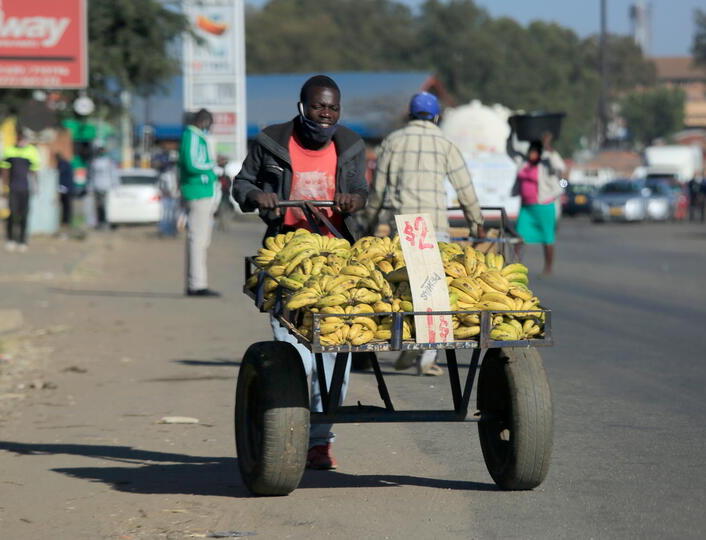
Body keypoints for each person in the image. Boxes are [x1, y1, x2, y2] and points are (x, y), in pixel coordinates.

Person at [233, 75, 368, 470]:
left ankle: (320, 442)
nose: (325, 114)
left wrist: (353, 200)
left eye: (332, 108)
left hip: (336, 260)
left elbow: (362, 191)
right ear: (301, 107)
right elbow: (241, 184)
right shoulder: (271, 142)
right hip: (287, 258)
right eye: (318, 106)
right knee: (297, 358)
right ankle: (287, 437)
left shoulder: (351, 145)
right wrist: (257, 196)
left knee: (333, 363)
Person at [363, 91, 485, 376]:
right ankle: (428, 356)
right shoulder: (445, 143)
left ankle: (409, 339)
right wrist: (475, 222)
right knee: (434, 291)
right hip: (435, 227)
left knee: (406, 289)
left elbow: (378, 190)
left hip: (403, 229)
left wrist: (369, 221)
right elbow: (464, 187)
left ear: (409, 115)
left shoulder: (393, 142)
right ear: (436, 117)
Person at [507, 130, 564, 276]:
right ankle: (515, 266)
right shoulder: (523, 163)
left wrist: (547, 146)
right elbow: (510, 151)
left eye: (535, 152)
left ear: (539, 153)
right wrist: (512, 132)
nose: (532, 155)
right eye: (530, 152)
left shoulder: (546, 164)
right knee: (519, 236)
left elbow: (560, 166)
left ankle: (548, 267)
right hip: (526, 208)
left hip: (544, 206)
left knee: (547, 237)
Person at [179, 108, 220, 297]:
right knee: (197, 239)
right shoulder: (192, 136)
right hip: (198, 191)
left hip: (202, 191)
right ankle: (196, 284)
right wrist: (213, 164)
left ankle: (197, 282)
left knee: (201, 239)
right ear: (204, 121)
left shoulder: (195, 136)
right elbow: (192, 163)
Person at [0, 134, 40, 252]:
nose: (21, 141)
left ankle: (22, 240)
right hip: (13, 188)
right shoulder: (9, 150)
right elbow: (4, 171)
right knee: (12, 214)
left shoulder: (31, 151)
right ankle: (10, 239)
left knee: (24, 215)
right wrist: (4, 187)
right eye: (19, 139)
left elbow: (35, 171)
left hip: (25, 189)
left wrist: (37, 187)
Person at [89, 147, 118, 229]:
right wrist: (90, 187)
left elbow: (114, 174)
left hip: (106, 187)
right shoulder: (94, 162)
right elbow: (92, 175)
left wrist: (115, 185)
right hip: (97, 186)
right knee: (99, 206)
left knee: (105, 206)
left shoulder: (109, 162)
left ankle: (106, 222)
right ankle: (100, 222)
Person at [56, 152, 75, 229]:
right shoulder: (67, 163)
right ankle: (66, 220)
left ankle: (66, 220)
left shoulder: (63, 164)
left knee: (66, 205)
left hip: (65, 188)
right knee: (67, 206)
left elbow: (60, 173)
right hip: (68, 187)